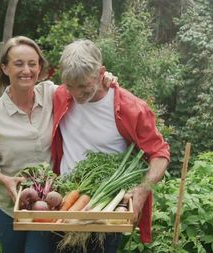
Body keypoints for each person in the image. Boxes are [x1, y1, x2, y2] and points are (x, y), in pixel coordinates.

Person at [51, 39, 170, 252]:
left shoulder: (131, 108)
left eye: (83, 87)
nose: (77, 94)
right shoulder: (61, 95)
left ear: (100, 73)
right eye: (70, 86)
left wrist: (142, 191)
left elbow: (160, 153)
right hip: (65, 204)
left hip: (109, 209)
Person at [0, 36, 55, 253]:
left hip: (46, 205)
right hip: (7, 208)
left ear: (40, 67)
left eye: (32, 63)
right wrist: (4, 179)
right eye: (18, 64)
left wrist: (105, 78)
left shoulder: (51, 95)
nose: (26, 70)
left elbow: (82, 84)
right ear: (5, 68)